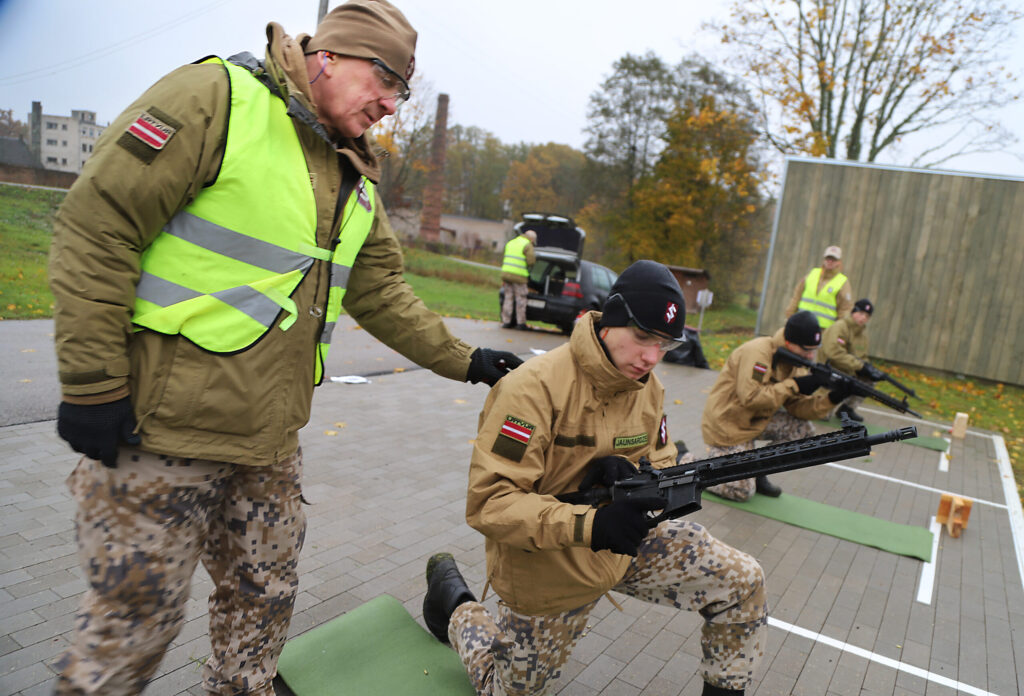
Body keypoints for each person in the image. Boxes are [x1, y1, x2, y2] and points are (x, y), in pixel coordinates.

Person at [47, 2, 523, 694]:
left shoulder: (355, 174)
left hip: (267, 445)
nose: (390, 104)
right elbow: (98, 224)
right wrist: (91, 382)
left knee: (263, 602)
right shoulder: (217, 99)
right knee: (134, 628)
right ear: (327, 56)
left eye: (403, 92)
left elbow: (382, 291)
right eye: (383, 79)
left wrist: (467, 359)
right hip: (159, 433)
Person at [422, 260, 768, 696]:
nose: (650, 357)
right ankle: (454, 604)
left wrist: (643, 476)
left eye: (664, 344)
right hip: (549, 565)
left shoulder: (647, 385)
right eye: (642, 337)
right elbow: (490, 503)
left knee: (743, 581)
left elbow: (661, 459)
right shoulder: (532, 389)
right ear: (610, 320)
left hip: (623, 546)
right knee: (504, 690)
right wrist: (591, 524)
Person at [700, 311, 851, 501]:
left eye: (814, 349)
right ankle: (691, 461)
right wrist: (794, 384)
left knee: (802, 431)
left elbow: (797, 408)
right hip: (727, 425)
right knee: (741, 491)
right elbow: (751, 397)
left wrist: (833, 398)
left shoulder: (796, 362)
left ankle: (757, 470)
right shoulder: (759, 352)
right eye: (807, 349)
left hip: (754, 421)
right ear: (790, 343)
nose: (811, 356)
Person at [820, 298, 881, 422]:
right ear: (853, 311)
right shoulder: (840, 327)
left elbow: (862, 357)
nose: (863, 318)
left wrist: (868, 368)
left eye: (867, 316)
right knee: (822, 415)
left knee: (869, 380)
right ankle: (823, 403)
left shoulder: (863, 335)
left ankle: (847, 409)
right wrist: (859, 366)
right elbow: (834, 353)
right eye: (861, 313)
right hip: (829, 370)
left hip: (848, 371)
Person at [784, 245, 853, 329]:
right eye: (828, 258)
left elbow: (845, 309)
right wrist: (789, 316)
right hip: (800, 324)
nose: (830, 261)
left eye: (833, 259)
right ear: (824, 260)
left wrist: (839, 330)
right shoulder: (812, 274)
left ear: (839, 262)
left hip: (823, 330)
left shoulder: (843, 282)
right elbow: (797, 296)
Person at [500, 228, 537, 329]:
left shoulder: (511, 242)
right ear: (532, 239)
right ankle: (521, 323)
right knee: (521, 299)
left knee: (508, 298)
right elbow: (531, 261)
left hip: (506, 275)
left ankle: (506, 322)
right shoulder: (527, 245)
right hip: (519, 277)